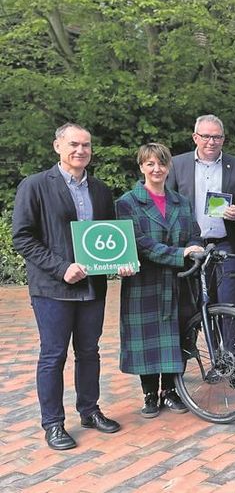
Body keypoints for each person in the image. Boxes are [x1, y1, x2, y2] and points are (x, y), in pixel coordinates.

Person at [12, 123, 126, 450]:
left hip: (93, 287)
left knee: (89, 352)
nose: (81, 151)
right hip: (52, 288)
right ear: (57, 147)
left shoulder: (101, 190)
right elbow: (22, 237)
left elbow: (110, 238)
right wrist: (61, 268)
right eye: (74, 144)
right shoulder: (34, 186)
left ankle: (89, 410)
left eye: (86, 145)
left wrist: (121, 261)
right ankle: (53, 423)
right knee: (53, 354)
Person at [116, 143, 204, 418]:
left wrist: (194, 247)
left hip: (179, 281)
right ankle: (150, 394)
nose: (156, 169)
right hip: (145, 282)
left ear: (169, 167)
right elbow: (140, 244)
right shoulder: (127, 203)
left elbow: (194, 234)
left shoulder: (181, 201)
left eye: (161, 164)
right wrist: (180, 253)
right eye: (150, 164)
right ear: (141, 167)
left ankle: (171, 391)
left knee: (176, 335)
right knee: (148, 338)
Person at [166, 115, 235, 362]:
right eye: (206, 136)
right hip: (192, 247)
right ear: (195, 137)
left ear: (223, 139)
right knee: (204, 304)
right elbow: (167, 203)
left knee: (230, 305)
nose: (211, 142)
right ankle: (217, 359)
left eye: (216, 137)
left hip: (227, 244)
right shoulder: (177, 165)